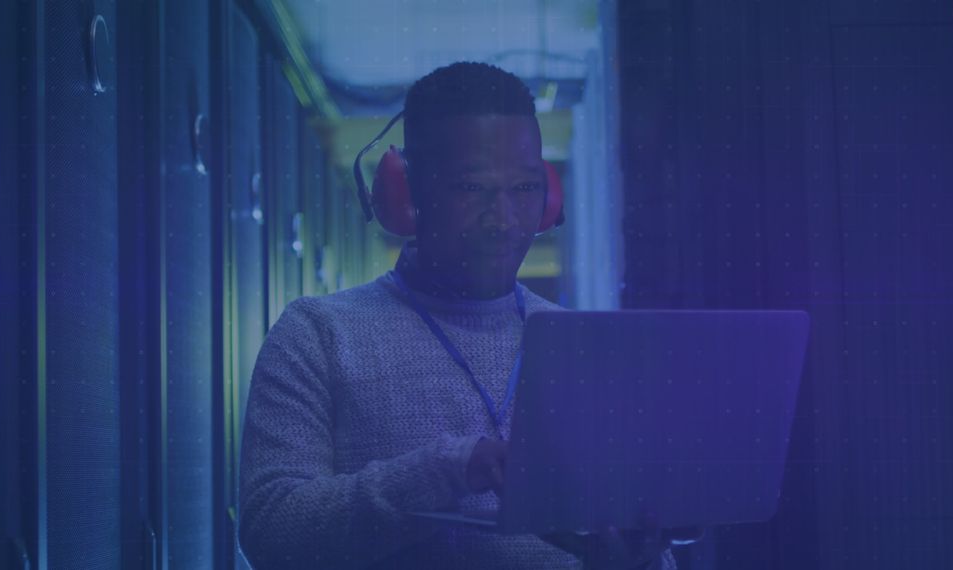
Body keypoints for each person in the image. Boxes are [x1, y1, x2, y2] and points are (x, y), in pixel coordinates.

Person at [238, 61, 681, 569]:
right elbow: (272, 533)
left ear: (548, 194)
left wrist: (632, 562)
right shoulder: (316, 334)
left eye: (524, 189)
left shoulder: (583, 346)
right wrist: (446, 471)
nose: (504, 220)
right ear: (406, 192)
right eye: (472, 189)